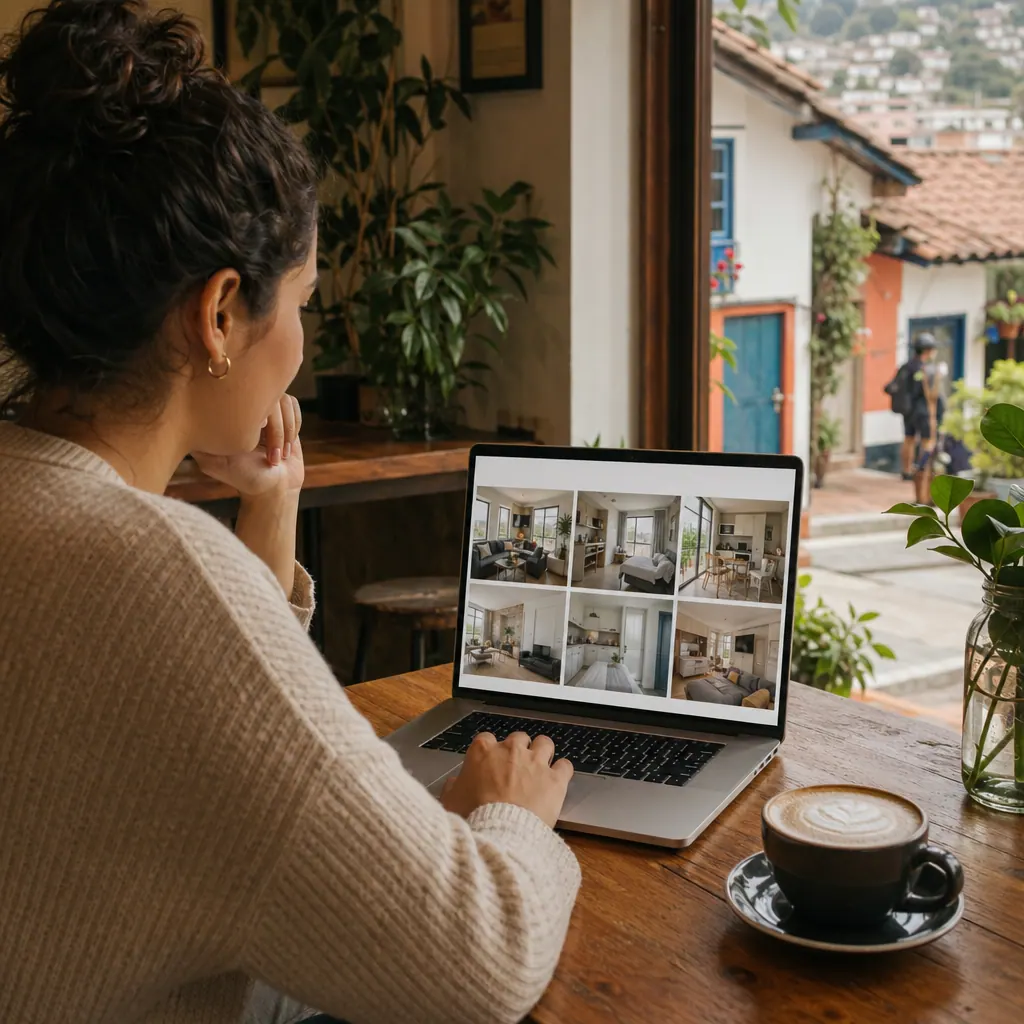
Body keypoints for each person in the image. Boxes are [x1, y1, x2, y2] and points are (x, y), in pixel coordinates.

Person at [0, 3, 579, 1023]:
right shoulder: (159, 572)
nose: (301, 338)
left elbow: (179, 725)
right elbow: (481, 960)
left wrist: (272, 509)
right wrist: (512, 814)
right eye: (302, 297)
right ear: (220, 314)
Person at [888, 333, 944, 498]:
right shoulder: (925, 369)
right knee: (926, 442)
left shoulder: (906, 366)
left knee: (908, 439)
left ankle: (906, 471)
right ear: (927, 350)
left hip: (908, 411)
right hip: (922, 411)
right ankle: (921, 469)